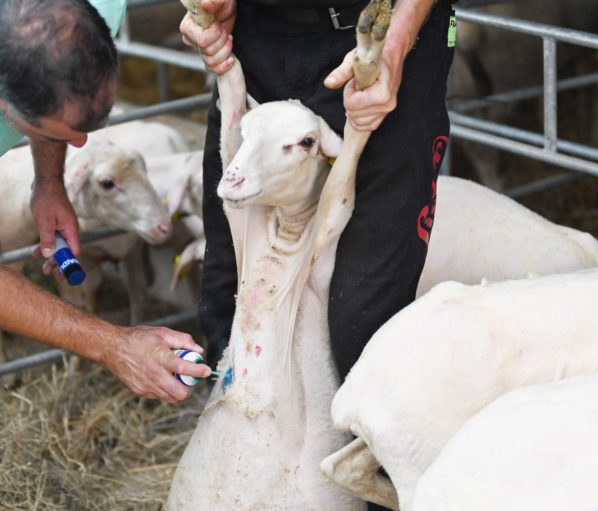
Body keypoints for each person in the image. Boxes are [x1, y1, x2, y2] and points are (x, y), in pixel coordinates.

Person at [0, 1, 210, 509]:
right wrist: (115, 345)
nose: (84, 141)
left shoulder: (92, 10)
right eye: (60, 133)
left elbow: (64, 97)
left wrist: (50, 181)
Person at [181, 2, 453, 508]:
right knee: (222, 292)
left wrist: (392, 47)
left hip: (382, 35)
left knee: (362, 319)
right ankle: (242, 470)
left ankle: (380, 493)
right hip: (261, 30)